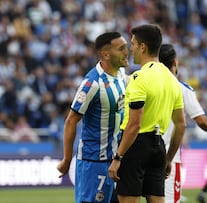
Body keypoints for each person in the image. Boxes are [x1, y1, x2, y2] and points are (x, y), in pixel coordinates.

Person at [108, 24, 186, 203]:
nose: (131, 48)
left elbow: (134, 124)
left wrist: (118, 157)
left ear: (143, 47)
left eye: (133, 44)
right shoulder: (172, 80)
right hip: (159, 147)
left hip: (135, 146)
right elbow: (181, 125)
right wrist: (168, 159)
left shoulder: (139, 77)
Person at [57, 31, 129, 203]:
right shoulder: (92, 83)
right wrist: (67, 159)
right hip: (94, 162)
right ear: (106, 54)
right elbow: (71, 121)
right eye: (121, 49)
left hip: (116, 161)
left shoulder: (121, 76)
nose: (127, 52)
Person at [158, 43, 207, 203]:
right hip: (167, 154)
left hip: (142, 152)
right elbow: (200, 119)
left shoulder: (143, 84)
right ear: (174, 62)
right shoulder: (181, 89)